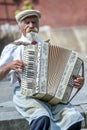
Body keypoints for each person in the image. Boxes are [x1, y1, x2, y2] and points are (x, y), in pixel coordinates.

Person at [0, 9, 84, 130]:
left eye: (34, 22)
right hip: (25, 94)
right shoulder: (13, 48)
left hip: (50, 96)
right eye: (27, 22)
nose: (31, 25)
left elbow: (62, 76)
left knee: (73, 118)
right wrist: (9, 66)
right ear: (20, 26)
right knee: (42, 118)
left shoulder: (46, 46)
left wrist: (76, 82)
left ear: (38, 25)